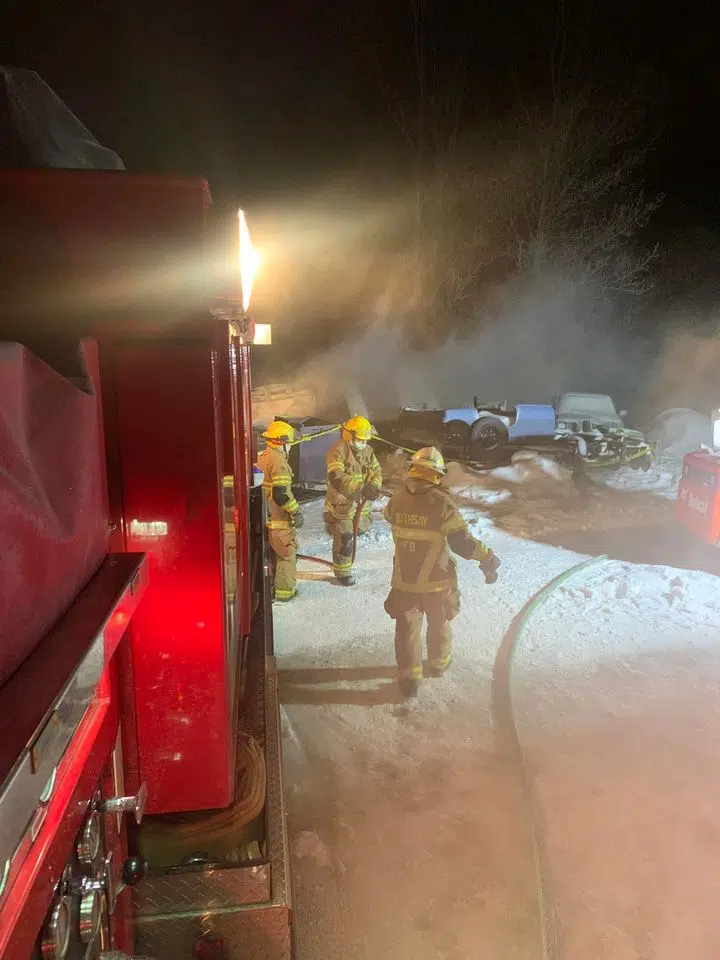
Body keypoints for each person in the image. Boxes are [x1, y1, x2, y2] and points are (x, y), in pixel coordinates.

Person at [383, 446, 500, 698]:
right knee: (439, 624)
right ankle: (437, 665)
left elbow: (390, 518)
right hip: (436, 581)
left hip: (404, 581)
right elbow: (462, 543)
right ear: (436, 474)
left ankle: (409, 680)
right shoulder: (442, 503)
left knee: (406, 630)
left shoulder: (397, 498)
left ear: (413, 470)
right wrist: (487, 557)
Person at [324, 415, 382, 586]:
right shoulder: (338, 450)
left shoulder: (368, 451)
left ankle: (343, 553)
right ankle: (342, 573)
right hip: (341, 505)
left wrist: (374, 485)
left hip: (359, 506)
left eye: (365, 440)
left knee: (354, 532)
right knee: (345, 539)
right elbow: (336, 477)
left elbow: (377, 472)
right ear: (349, 436)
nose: (362, 443)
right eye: (360, 440)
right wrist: (361, 487)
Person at [257, 420, 303, 602]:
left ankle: (271, 589)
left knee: (271, 554)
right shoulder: (279, 462)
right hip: (279, 519)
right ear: (281, 442)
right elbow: (281, 494)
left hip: (265, 517)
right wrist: (296, 511)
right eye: (289, 442)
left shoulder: (263, 456)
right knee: (287, 555)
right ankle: (285, 593)